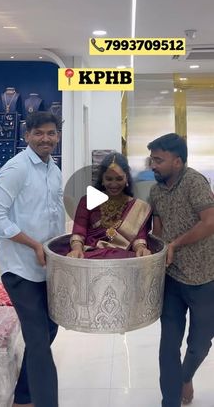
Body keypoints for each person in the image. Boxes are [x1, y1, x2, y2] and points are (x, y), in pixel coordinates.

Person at [0, 112, 65, 407]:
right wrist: (33, 245)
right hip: (19, 270)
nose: (46, 138)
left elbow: (54, 217)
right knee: (39, 341)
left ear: (58, 136)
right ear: (27, 135)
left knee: (51, 329)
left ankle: (24, 397)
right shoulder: (15, 169)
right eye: (39, 133)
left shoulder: (54, 169)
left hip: (47, 268)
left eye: (51, 133)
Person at [147, 133, 214, 407]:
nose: (153, 165)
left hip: (204, 279)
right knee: (168, 346)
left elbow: (210, 222)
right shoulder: (155, 190)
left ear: (177, 162)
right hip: (171, 278)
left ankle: (185, 376)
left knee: (200, 343)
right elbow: (158, 231)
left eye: (158, 160)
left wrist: (175, 244)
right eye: (152, 159)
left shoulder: (195, 182)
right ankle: (170, 401)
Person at [67, 152, 152, 259]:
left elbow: (139, 239)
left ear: (126, 179)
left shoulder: (138, 207)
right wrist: (77, 250)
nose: (114, 184)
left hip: (123, 258)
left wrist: (141, 249)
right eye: (109, 179)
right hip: (92, 255)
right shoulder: (87, 201)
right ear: (102, 179)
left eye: (119, 179)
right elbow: (79, 233)